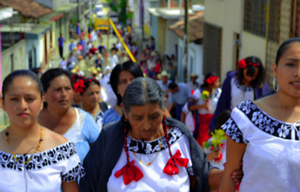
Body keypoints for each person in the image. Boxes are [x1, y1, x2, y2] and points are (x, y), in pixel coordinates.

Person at [79, 77, 244, 192]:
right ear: (125, 111)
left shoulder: (180, 135)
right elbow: (88, 185)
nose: (147, 125)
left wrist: (229, 173)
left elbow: (203, 177)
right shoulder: (110, 137)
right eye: (137, 118)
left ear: (164, 105)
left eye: (154, 116)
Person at [220, 38, 300, 191]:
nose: (298, 73)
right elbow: (230, 176)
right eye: (291, 64)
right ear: (275, 69)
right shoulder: (246, 116)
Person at [0, 70, 84, 191]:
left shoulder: (62, 149)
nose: (23, 106)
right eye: (14, 99)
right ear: (3, 103)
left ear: (41, 101)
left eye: (30, 99)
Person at [38, 68, 100, 163]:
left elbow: (100, 158)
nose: (64, 94)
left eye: (67, 89)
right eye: (57, 90)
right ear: (44, 94)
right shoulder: (33, 121)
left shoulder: (85, 121)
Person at [210, 56, 270, 132]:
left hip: (251, 126)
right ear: (242, 70)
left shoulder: (262, 85)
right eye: (247, 74)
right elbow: (223, 102)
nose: (249, 78)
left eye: (253, 76)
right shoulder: (231, 79)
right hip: (231, 122)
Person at [100, 61, 144, 126]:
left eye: (133, 80)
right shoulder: (108, 117)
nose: (129, 84)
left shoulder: (154, 109)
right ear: (117, 89)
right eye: (123, 81)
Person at [189, 73, 221, 146]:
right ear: (210, 83)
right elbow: (190, 106)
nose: (219, 83)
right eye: (217, 81)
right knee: (203, 141)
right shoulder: (198, 92)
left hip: (214, 119)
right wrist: (202, 106)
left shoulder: (218, 91)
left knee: (214, 140)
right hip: (202, 121)